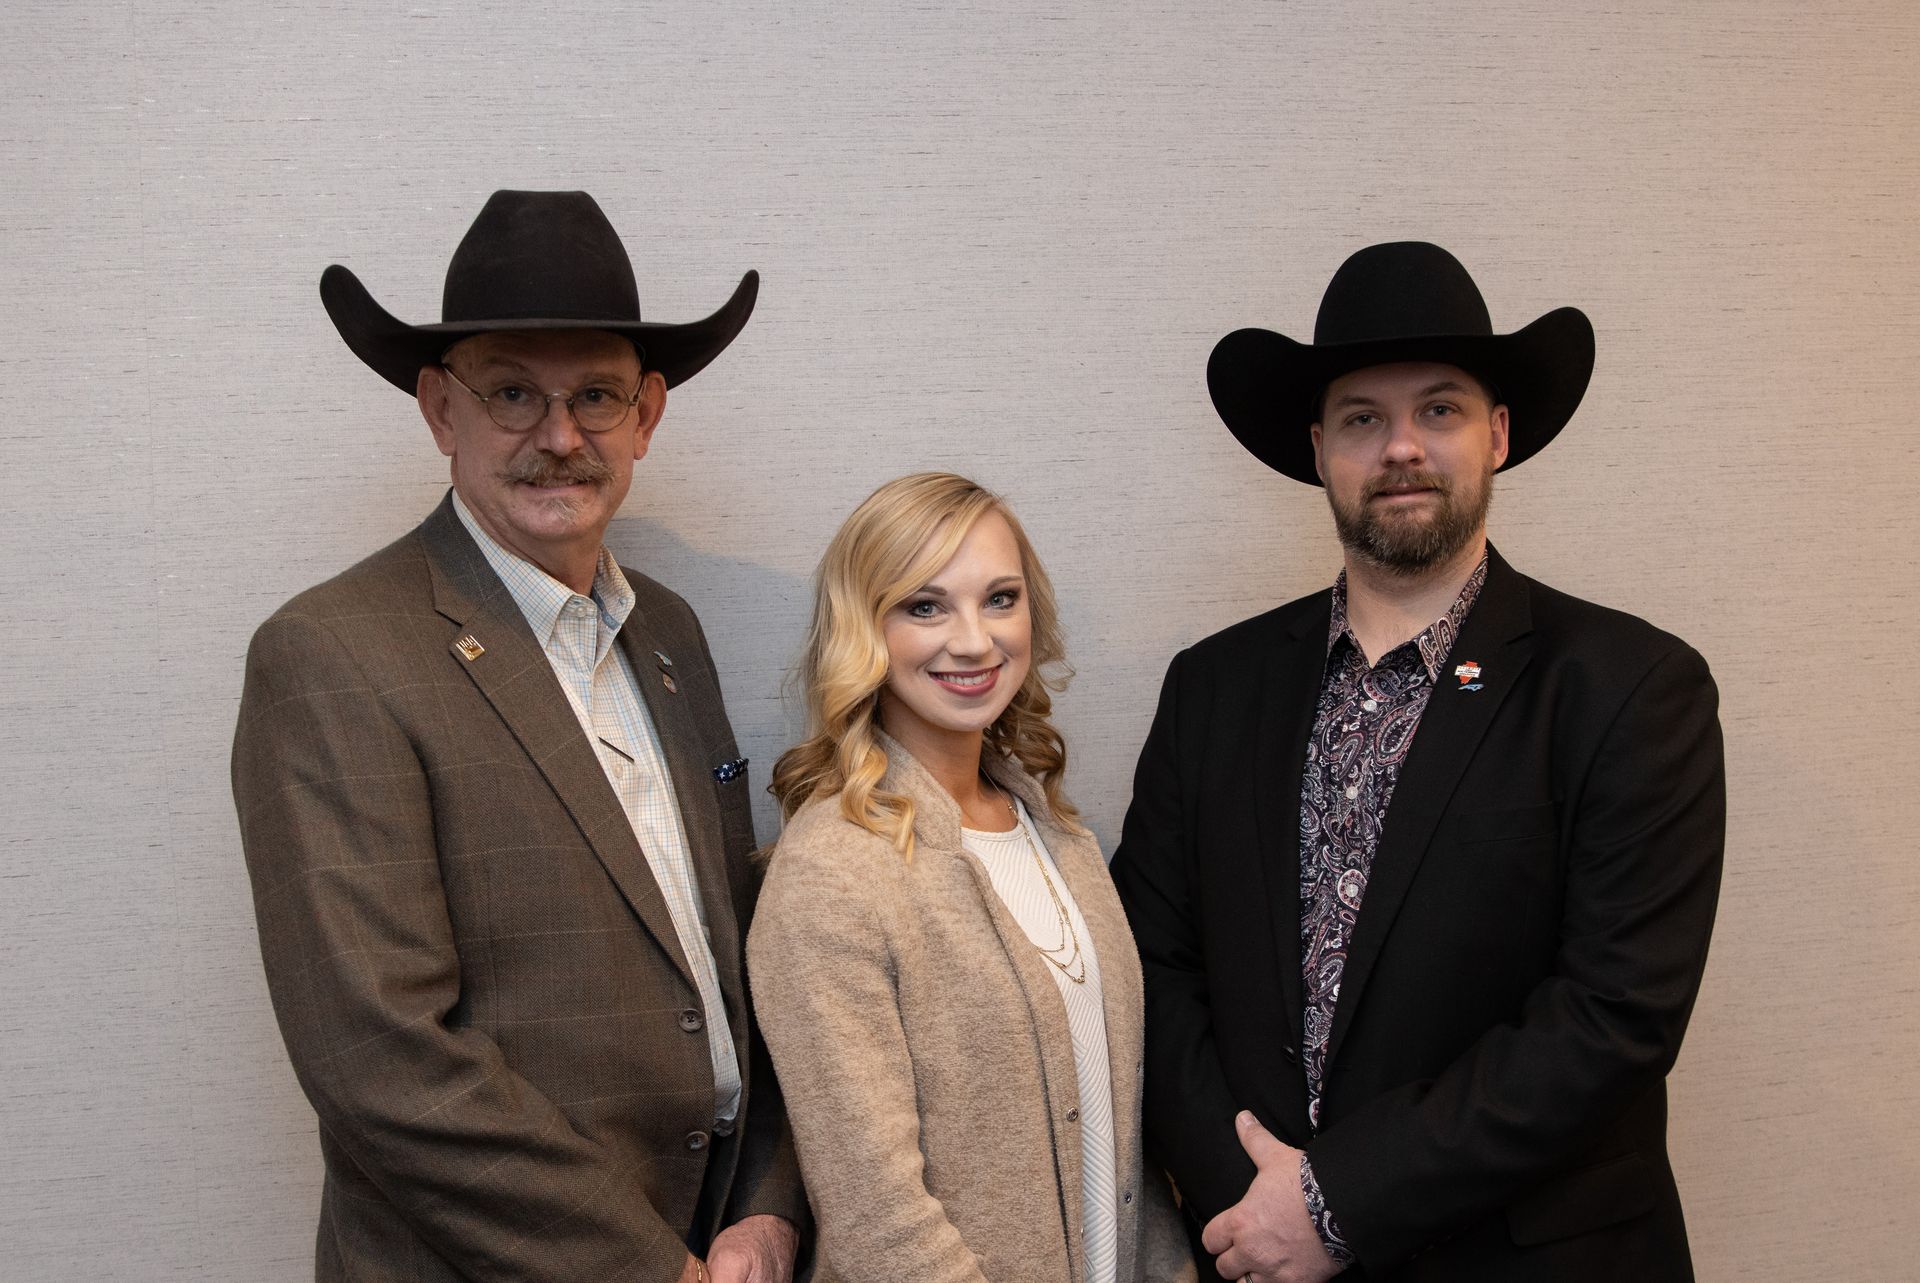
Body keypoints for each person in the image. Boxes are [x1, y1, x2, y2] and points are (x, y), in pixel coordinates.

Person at [1110, 242, 1725, 1282]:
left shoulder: (1630, 688)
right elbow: (1152, 966)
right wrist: (1249, 1200)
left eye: (1438, 410)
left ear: (1497, 433)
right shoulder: (1212, 686)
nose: (1401, 446)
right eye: (1362, 417)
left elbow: (1610, 1015)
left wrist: (1333, 1201)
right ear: (1318, 448)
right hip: (1255, 1254)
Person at [232, 189, 806, 1283]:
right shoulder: (330, 654)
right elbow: (381, 1061)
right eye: (512, 394)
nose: (560, 435)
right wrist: (650, 1267)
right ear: (439, 410)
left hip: (722, 1244)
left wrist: (769, 1208)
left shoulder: (671, 634)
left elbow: (740, 958)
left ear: (647, 415)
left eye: (595, 394)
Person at [746, 473, 1196, 1283]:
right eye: (925, 605)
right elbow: (877, 1216)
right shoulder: (831, 870)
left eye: (999, 598)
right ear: (864, 629)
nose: (975, 641)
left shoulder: (1062, 836)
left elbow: (1122, 1132)